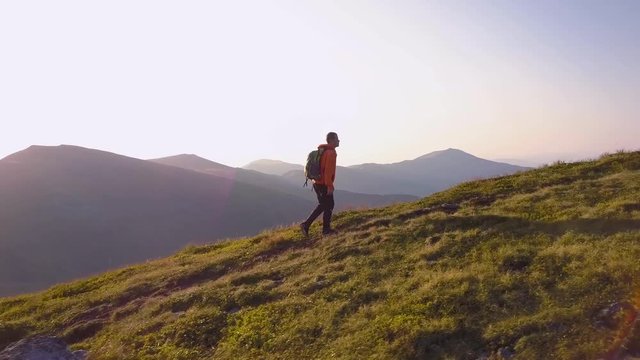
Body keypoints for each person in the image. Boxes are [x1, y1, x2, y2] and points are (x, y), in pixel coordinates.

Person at [300, 132, 340, 237]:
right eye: (337, 139)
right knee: (329, 205)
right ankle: (326, 230)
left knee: (323, 205)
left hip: (316, 182)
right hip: (323, 184)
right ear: (331, 140)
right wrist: (329, 186)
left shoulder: (322, 151)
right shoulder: (330, 153)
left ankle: (306, 225)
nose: (339, 141)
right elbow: (328, 171)